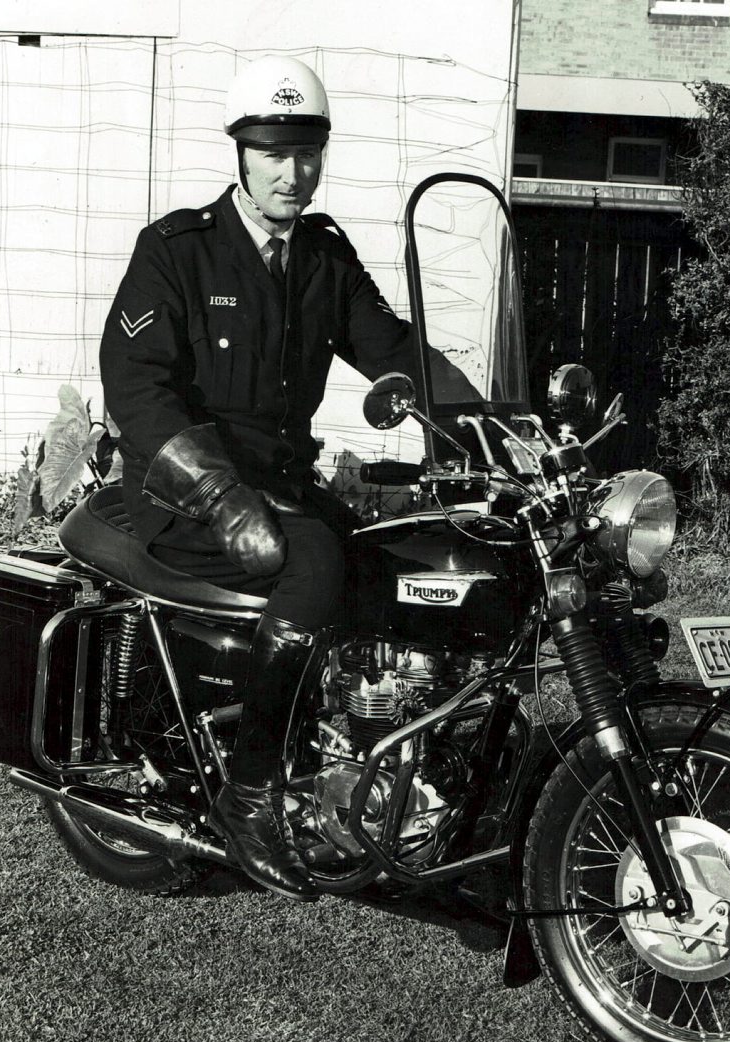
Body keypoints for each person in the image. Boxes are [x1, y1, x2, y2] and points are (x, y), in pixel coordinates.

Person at [100, 54, 474, 903]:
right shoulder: (178, 251)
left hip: (281, 488)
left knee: (398, 561)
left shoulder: (323, 258)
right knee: (315, 564)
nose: (291, 172)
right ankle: (248, 795)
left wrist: (489, 425)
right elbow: (136, 385)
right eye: (273, 152)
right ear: (240, 152)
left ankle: (370, 757)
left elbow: (393, 349)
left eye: (307, 153)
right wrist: (218, 496)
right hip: (182, 495)